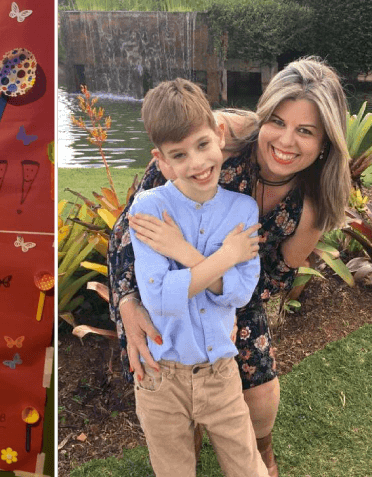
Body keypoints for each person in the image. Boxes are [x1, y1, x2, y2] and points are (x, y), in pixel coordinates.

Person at [108, 57, 352, 477]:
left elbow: (267, 283)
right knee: (157, 347)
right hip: (166, 280)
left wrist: (207, 279)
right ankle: (189, 428)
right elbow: (128, 231)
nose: (286, 141)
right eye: (277, 121)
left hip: (240, 290)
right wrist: (127, 304)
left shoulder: (311, 204)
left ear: (326, 142)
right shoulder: (211, 138)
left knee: (260, 394)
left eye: (305, 131)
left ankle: (261, 452)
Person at [128, 78, 267, 476]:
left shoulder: (242, 211)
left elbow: (240, 294)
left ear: (219, 136)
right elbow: (159, 300)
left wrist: (183, 254)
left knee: (247, 466)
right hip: (161, 378)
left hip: (220, 374)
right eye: (179, 154)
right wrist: (226, 256)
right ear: (162, 161)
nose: (196, 163)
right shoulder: (150, 207)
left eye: (203, 145)